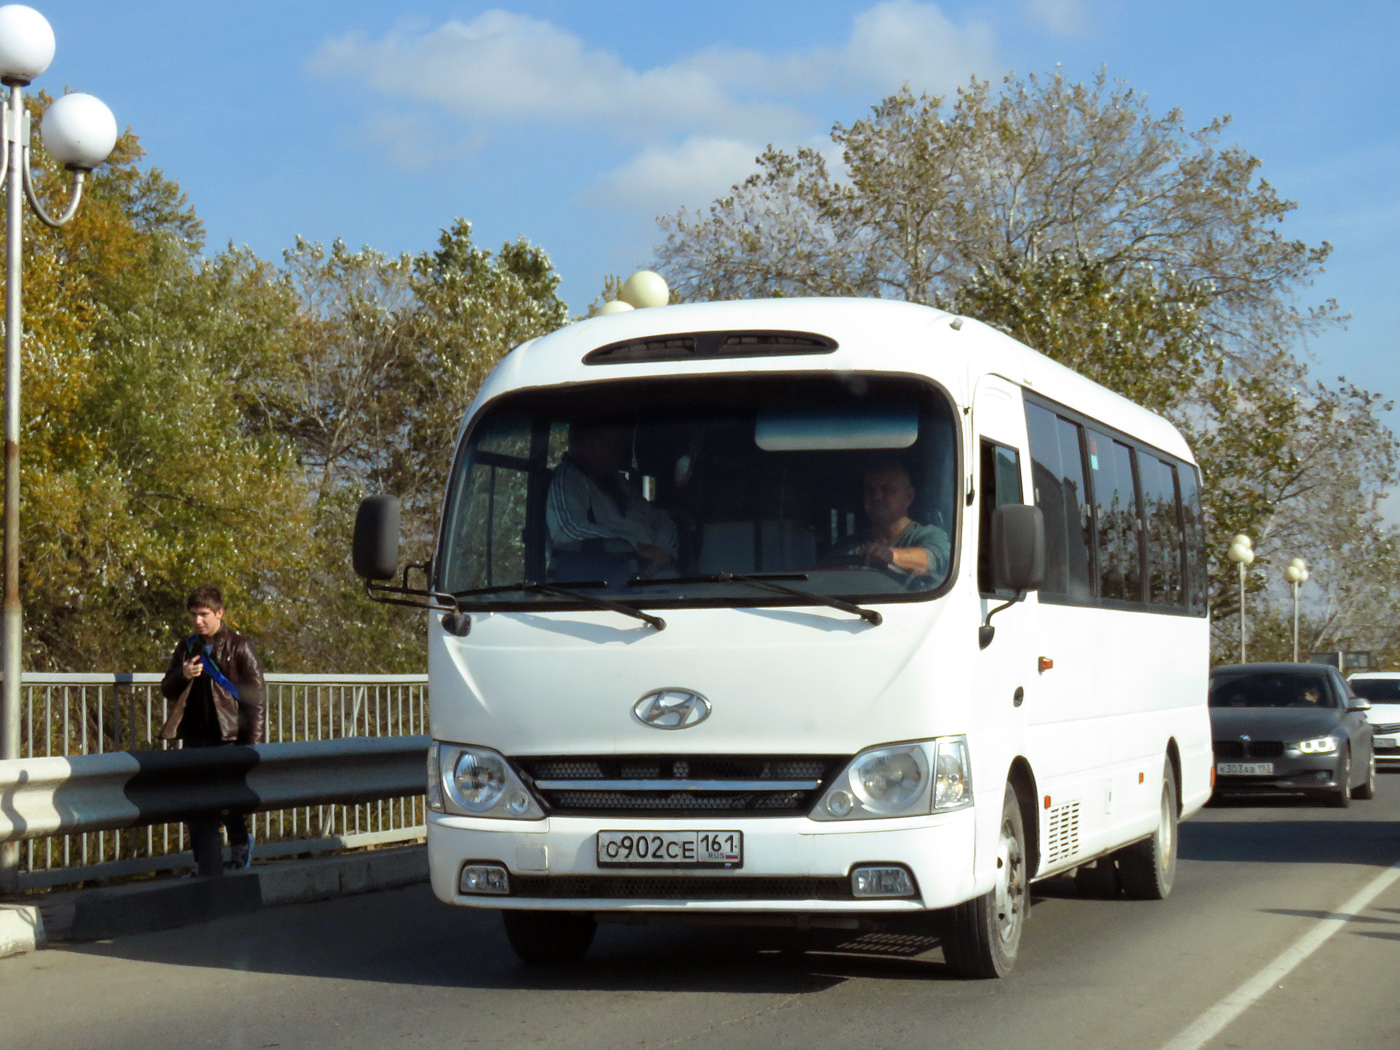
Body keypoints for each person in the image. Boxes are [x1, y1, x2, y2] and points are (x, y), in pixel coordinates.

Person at [160, 585, 266, 876]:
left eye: (204, 614)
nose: (198, 621)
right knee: (196, 806)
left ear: (220, 613)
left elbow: (255, 701)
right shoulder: (187, 647)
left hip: (229, 739)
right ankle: (207, 864)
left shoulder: (240, 646)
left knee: (228, 803)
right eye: (194, 615)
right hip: (195, 737)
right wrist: (182, 675)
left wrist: (252, 747)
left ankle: (241, 847)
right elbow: (166, 689)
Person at [546, 421, 679, 582]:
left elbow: (662, 519)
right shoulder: (567, 479)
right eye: (616, 442)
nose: (622, 450)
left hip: (661, 579)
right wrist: (635, 548)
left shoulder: (619, 483)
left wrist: (662, 552)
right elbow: (569, 530)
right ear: (593, 443)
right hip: (610, 587)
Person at [827, 461, 950, 579]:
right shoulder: (847, 548)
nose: (877, 496)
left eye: (887, 489)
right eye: (871, 490)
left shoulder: (930, 536)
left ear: (909, 496)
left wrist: (892, 556)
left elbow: (933, 559)